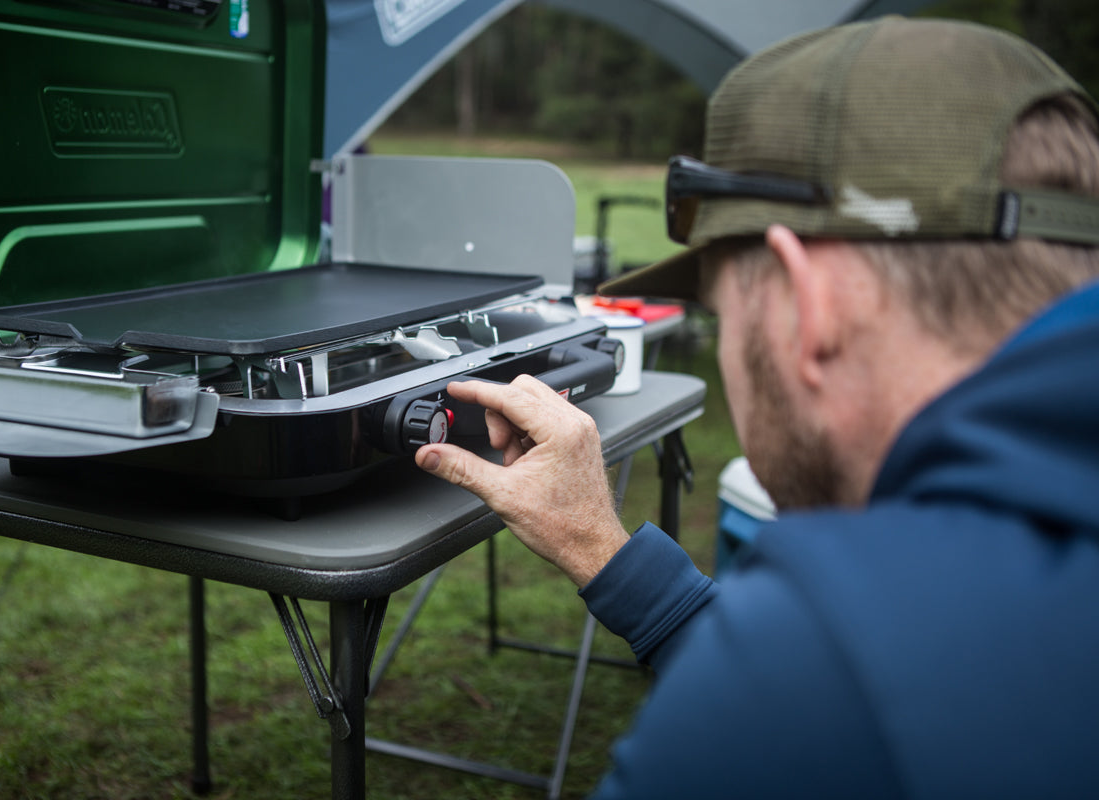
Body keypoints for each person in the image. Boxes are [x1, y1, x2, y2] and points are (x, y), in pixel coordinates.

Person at [416, 16, 1099, 799]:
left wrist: (787, 658)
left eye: (721, 310)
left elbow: (832, 697)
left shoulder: (827, 660)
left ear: (809, 310)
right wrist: (606, 551)